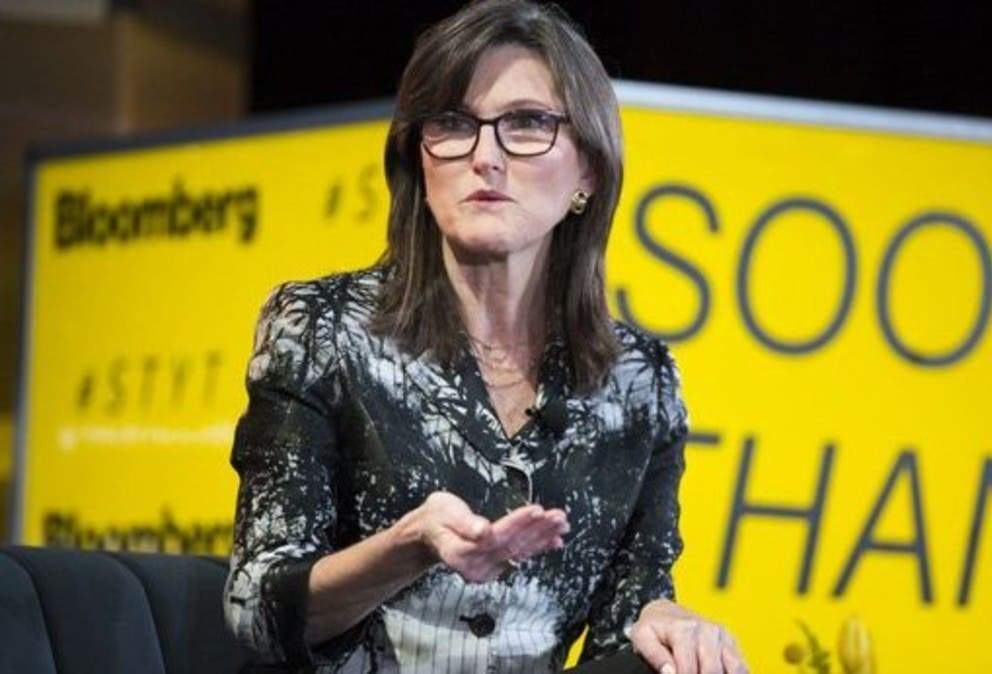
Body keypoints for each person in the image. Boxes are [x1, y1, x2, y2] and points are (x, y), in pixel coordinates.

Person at [223, 1, 749, 672]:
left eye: (526, 123)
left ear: (588, 170)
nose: (485, 156)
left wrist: (663, 620)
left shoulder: (638, 382)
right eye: (453, 123)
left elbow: (626, 617)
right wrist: (410, 545)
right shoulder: (321, 329)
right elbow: (258, 610)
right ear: (420, 160)